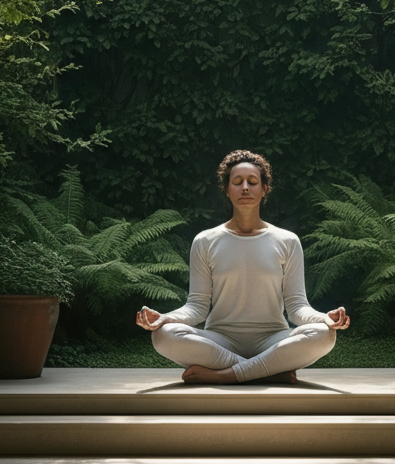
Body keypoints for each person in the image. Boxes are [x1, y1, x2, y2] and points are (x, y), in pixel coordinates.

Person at [135, 150, 350, 384]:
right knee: (164, 336)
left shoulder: (287, 241)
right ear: (227, 190)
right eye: (237, 182)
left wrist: (323, 318)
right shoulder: (205, 241)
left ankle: (226, 375)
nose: (245, 187)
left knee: (324, 335)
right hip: (220, 340)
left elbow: (297, 307)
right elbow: (196, 307)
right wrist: (164, 318)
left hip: (273, 338)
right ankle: (270, 371)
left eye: (252, 182)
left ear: (264, 188)